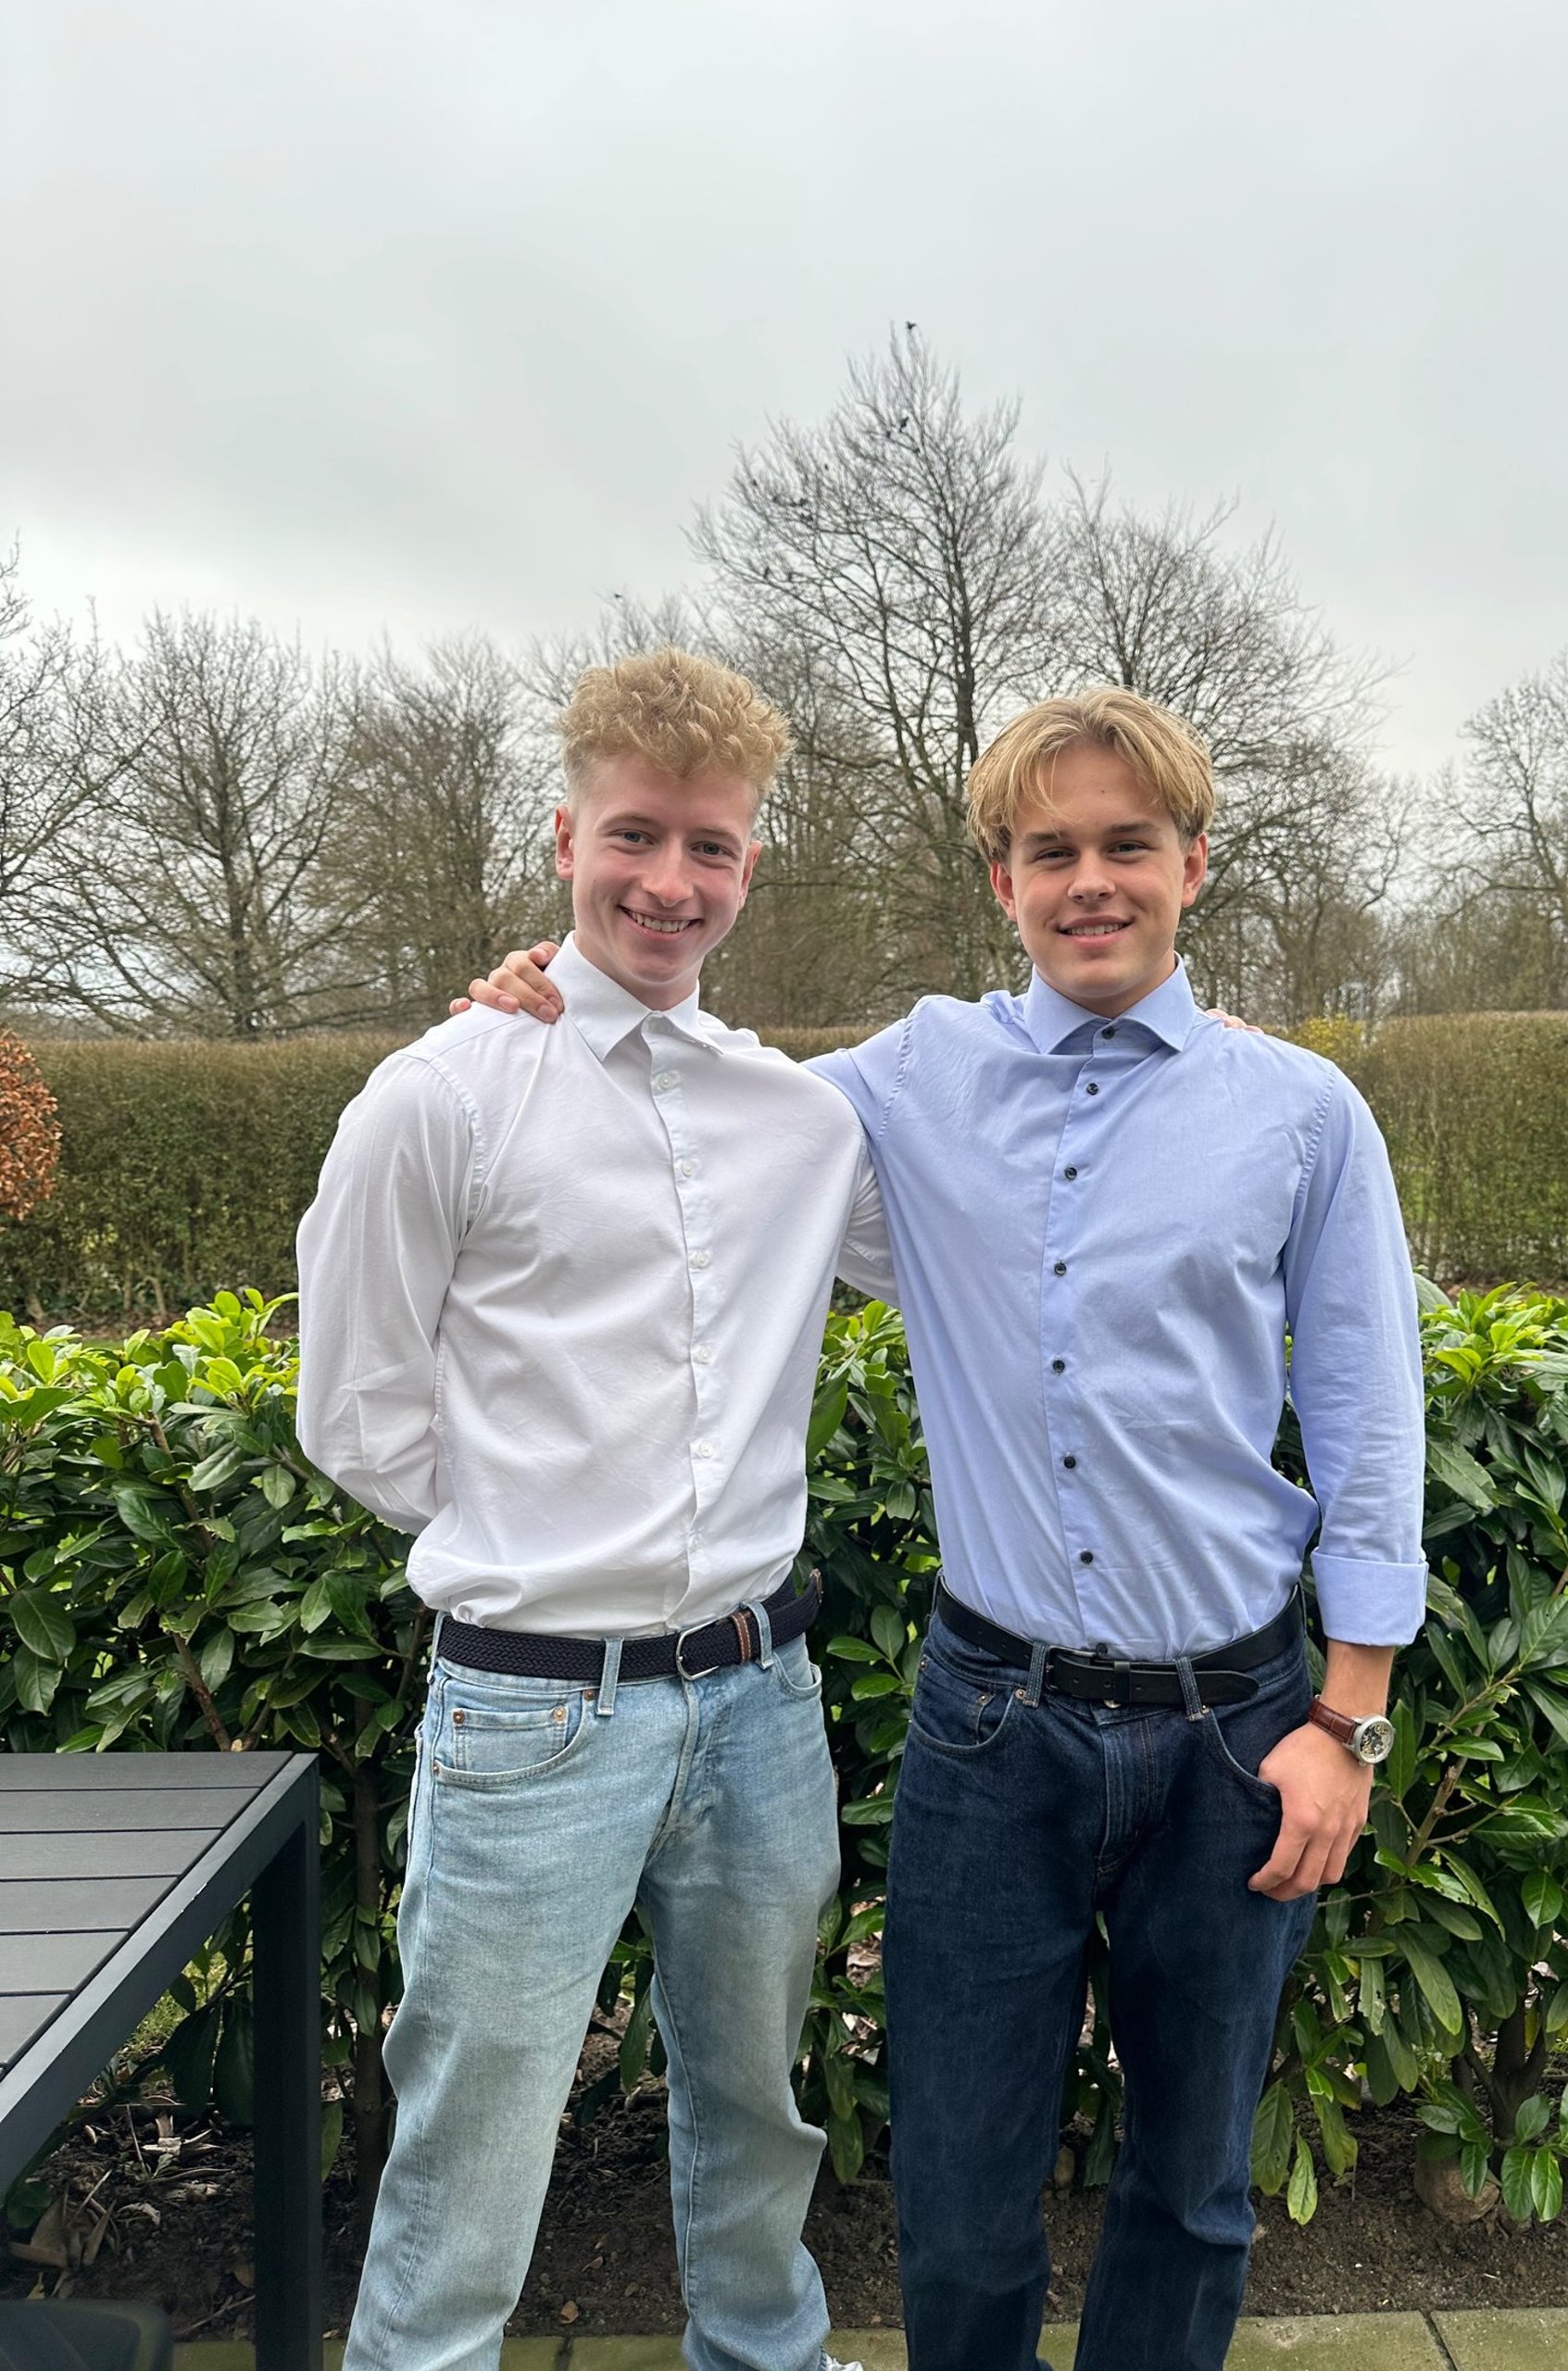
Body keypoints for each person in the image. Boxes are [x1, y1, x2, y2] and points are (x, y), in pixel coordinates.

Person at [463, 686, 1426, 2371]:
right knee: (964, 2204)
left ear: (1194, 865)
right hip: (995, 1729)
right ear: (1003, 882)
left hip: (1243, 1731)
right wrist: (548, 1009)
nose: (1091, 882)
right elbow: (695, 1117)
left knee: (1195, 2187)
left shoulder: (1300, 1115)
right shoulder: (903, 1085)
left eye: (1129, 845)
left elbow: (1365, 1415)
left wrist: (1347, 1715)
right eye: (1050, 851)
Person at [295, 648, 888, 2371]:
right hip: (534, 1706)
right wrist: (532, 1531)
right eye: (636, 836)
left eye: (710, 847)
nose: (669, 882)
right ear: (564, 834)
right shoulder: (441, 1097)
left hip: (762, 1703)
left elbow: (987, 1213)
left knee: (760, 2111)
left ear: (751, 863)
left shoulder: (803, 1121)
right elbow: (355, 1411)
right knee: (472, 2144)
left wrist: (1181, 1032)